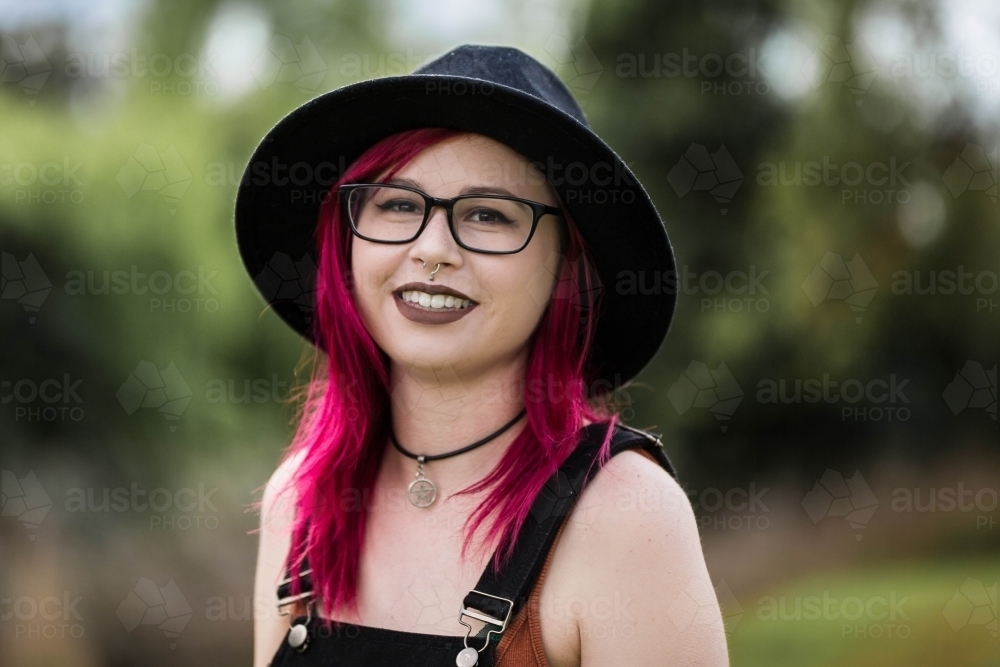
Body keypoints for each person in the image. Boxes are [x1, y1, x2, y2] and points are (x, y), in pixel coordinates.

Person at [236, 44, 729, 667]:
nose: (432, 248)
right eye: (397, 204)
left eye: (489, 214)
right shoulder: (301, 502)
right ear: (346, 241)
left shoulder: (626, 518)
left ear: (567, 267)